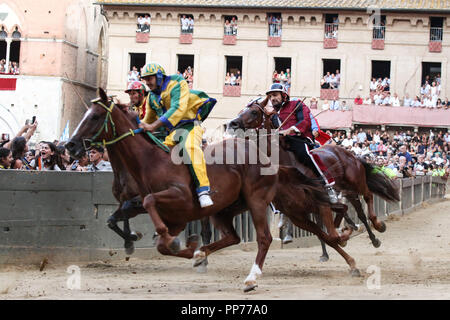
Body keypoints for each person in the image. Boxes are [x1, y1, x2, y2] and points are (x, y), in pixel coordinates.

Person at [138, 62, 217, 208]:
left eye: (150, 78)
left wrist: (153, 126)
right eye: (145, 79)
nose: (147, 82)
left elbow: (177, 109)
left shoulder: (177, 82)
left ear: (159, 76)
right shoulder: (150, 97)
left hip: (190, 125)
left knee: (189, 147)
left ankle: (203, 191)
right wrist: (134, 127)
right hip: (172, 133)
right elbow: (147, 119)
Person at [263, 83, 339, 203]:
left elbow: (305, 121)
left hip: (300, 139)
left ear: (283, 95)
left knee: (305, 153)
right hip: (282, 143)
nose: (272, 98)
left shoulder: (296, 104)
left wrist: (291, 129)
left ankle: (328, 185)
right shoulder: (272, 115)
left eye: (275, 95)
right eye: (271, 96)